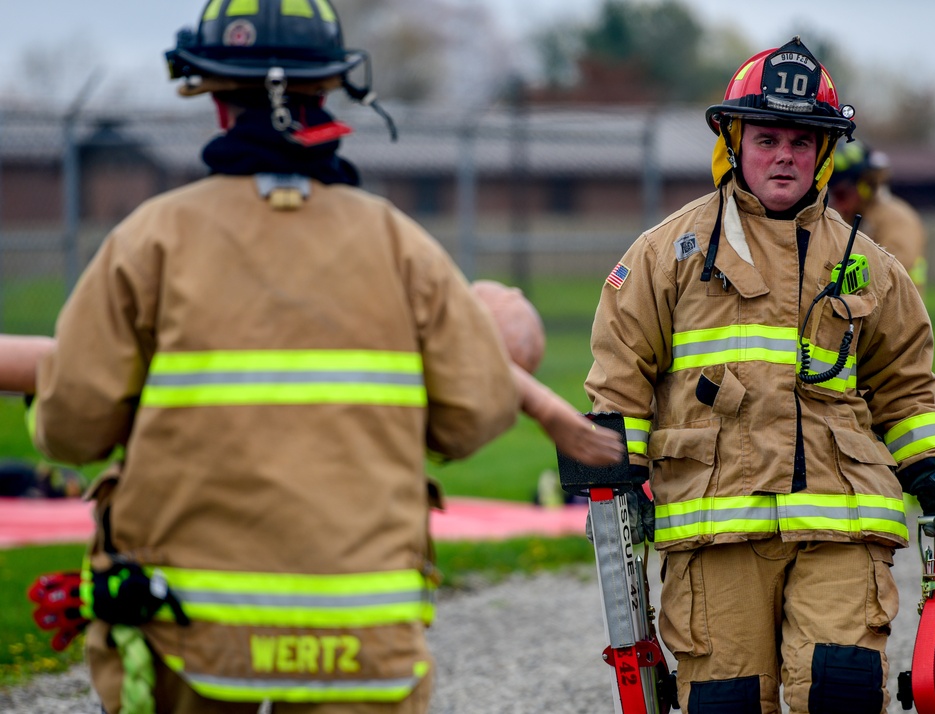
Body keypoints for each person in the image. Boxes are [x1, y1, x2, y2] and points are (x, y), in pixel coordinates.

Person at [23, 3, 621, 714]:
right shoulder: (402, 248)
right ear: (331, 91)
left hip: (185, 629)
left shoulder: (149, 241)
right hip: (361, 633)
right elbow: (472, 419)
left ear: (213, 98)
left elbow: (72, 430)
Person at [583, 37, 935, 713]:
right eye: (767, 138)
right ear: (734, 141)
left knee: (842, 691)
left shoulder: (871, 267)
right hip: (716, 532)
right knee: (727, 703)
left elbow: (906, 388)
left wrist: (931, 470)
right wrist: (616, 477)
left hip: (842, 527)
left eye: (802, 141)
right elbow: (619, 376)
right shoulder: (664, 256)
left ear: (824, 152)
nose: (784, 157)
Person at [829, 138, 929, 296]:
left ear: (865, 186)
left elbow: (890, 272)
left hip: (896, 316)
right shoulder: (853, 218)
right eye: (833, 195)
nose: (837, 205)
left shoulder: (896, 218)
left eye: (842, 195)